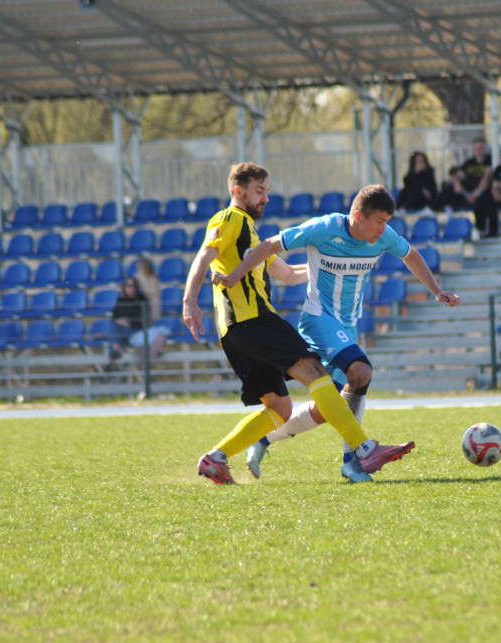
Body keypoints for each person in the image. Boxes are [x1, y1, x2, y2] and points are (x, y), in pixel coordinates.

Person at [182, 162, 415, 484]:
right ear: (238, 191)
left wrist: (339, 263)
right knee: (315, 372)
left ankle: (216, 458)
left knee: (280, 408)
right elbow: (204, 256)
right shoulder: (231, 218)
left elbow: (290, 275)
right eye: (259, 191)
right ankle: (364, 450)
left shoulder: (249, 237)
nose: (265, 198)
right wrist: (189, 301)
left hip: (234, 333)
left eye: (267, 191)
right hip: (253, 320)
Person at [215, 184, 460, 479]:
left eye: (387, 222)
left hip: (347, 327)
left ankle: (264, 439)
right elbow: (268, 246)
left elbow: (411, 255)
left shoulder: (384, 236)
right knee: (361, 371)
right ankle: (354, 459)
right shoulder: (323, 229)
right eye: (379, 221)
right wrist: (234, 275)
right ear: (358, 216)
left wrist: (437, 290)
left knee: (328, 408)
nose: (383, 229)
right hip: (319, 320)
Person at [104, 278, 149, 371]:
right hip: (121, 330)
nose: (131, 288)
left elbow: (144, 319)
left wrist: (129, 323)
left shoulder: (142, 300)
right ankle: (116, 350)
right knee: (115, 326)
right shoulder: (121, 300)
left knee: (114, 333)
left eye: (133, 286)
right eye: (128, 286)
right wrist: (120, 321)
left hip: (135, 329)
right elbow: (114, 318)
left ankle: (111, 359)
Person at [457, 137, 497, 237]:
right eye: (476, 148)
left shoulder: (491, 161)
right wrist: (458, 185)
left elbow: (487, 178)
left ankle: (489, 231)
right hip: (469, 193)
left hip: (485, 193)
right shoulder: (469, 163)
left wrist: (476, 193)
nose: (479, 151)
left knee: (486, 201)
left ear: (485, 149)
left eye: (481, 148)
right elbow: (457, 175)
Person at [133, 257, 169, 360]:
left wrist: (145, 291)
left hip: (153, 303)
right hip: (142, 305)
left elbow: (154, 290)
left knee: (152, 324)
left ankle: (152, 350)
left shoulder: (153, 277)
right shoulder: (138, 277)